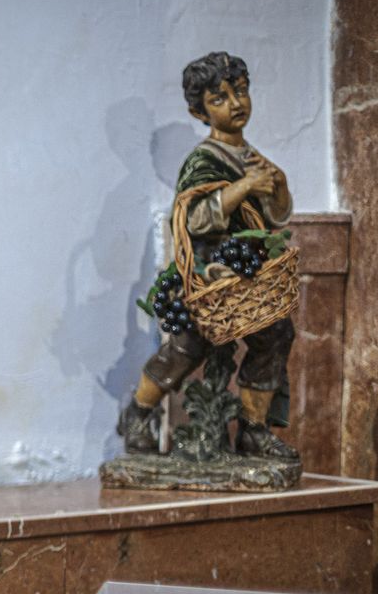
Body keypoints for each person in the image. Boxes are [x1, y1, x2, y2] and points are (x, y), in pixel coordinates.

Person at [118, 51, 297, 459]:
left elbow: (275, 214)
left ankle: (253, 429)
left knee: (275, 333)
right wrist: (244, 187)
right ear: (200, 112)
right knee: (186, 348)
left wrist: (278, 186)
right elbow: (194, 217)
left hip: (246, 276)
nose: (236, 103)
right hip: (206, 276)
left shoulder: (252, 158)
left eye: (241, 91)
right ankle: (139, 411)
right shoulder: (202, 160)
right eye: (219, 98)